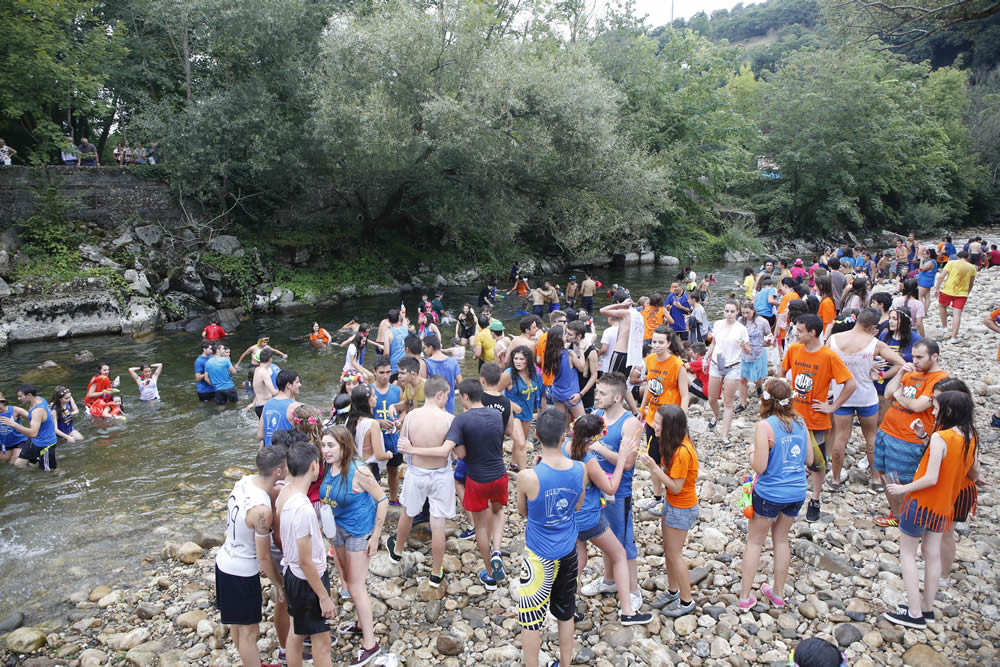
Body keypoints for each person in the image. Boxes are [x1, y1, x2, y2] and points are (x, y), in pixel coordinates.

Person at [883, 390, 978, 629]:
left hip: (922, 503)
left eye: (936, 408)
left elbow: (931, 477)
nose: (932, 411)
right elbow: (956, 465)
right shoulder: (970, 435)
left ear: (947, 411)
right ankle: (926, 607)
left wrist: (902, 489)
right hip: (945, 504)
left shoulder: (942, 437)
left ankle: (914, 613)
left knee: (907, 553)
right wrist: (923, 436)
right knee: (931, 553)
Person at [516, 409, 587, 667]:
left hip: (538, 555)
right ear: (564, 435)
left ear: (536, 435)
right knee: (566, 611)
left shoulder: (527, 476)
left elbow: (523, 511)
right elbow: (577, 506)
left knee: (530, 618)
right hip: (568, 549)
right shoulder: (580, 469)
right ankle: (566, 663)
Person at [563, 414, 646, 624]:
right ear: (596, 437)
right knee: (619, 554)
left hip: (569, 515)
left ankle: (565, 605)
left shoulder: (565, 447)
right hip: (589, 517)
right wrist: (621, 460)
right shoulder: (588, 459)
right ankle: (628, 611)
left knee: (578, 559)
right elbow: (610, 487)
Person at [738, 378, 813, 610]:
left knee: (755, 542)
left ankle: (744, 598)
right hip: (796, 491)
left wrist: (751, 452)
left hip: (770, 492)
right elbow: (810, 460)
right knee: (781, 539)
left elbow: (759, 467)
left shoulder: (765, 426)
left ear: (764, 399)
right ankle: (778, 593)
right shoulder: (800, 422)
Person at [318, 425, 387, 666]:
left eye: (330, 445)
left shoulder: (360, 470)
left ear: (344, 446)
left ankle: (371, 644)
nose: (325, 450)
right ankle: (359, 624)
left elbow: (382, 500)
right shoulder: (328, 466)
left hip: (358, 532)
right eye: (323, 445)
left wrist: (376, 536)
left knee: (356, 587)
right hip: (336, 531)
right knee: (346, 580)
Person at [216, 444, 287, 667]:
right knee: (250, 631)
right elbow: (264, 557)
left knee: (238, 625)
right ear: (278, 471)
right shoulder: (262, 511)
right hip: (242, 572)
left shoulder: (244, 481)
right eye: (285, 467)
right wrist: (280, 584)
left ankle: (252, 661)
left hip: (224, 561)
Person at [782, 314, 857, 522]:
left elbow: (850, 384)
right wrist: (782, 393)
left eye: (799, 331)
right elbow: (782, 370)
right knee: (790, 457)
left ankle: (815, 499)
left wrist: (832, 406)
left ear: (812, 333)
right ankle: (790, 495)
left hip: (816, 420)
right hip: (793, 417)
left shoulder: (828, 356)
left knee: (818, 463)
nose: (795, 334)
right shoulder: (794, 349)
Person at [581, 373, 644, 613]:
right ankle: (609, 581)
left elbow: (627, 463)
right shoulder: (596, 416)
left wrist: (597, 447)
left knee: (623, 540)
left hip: (619, 492)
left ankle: (633, 590)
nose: (597, 396)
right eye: (597, 392)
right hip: (597, 489)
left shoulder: (630, 424)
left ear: (617, 397)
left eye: (602, 393)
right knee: (605, 536)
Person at [873, 339, 948, 527]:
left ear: (935, 356)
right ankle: (897, 514)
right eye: (913, 356)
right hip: (887, 431)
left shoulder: (939, 379)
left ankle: (912, 522)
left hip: (909, 439)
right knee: (885, 475)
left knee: (905, 481)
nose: (915, 361)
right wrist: (900, 372)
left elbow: (917, 405)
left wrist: (899, 395)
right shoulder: (912, 372)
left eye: (920, 357)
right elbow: (889, 392)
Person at [390, 376, 456, 586]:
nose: (447, 399)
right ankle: (436, 572)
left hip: (416, 473)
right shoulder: (448, 419)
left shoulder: (410, 416)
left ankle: (397, 552)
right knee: (438, 524)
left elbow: (402, 443)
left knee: (407, 512)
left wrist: (412, 450)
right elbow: (454, 452)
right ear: (439, 395)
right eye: (446, 395)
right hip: (440, 475)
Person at [827, 308, 906, 485]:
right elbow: (901, 363)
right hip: (866, 395)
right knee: (871, 436)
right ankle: (877, 479)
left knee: (840, 436)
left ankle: (835, 479)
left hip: (842, 395)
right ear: (873, 326)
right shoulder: (874, 343)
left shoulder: (833, 340)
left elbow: (826, 365)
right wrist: (881, 376)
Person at [636, 405, 699, 619]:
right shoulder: (673, 444)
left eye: (658, 423)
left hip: (681, 506)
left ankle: (686, 600)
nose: (653, 425)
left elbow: (676, 487)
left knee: (675, 554)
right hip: (673, 505)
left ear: (670, 427)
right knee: (669, 551)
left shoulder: (682, 452)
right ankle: (672, 591)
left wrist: (654, 468)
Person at [277, 441, 335, 667]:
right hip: (306, 580)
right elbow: (306, 560)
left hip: (291, 573)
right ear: (314, 466)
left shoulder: (284, 492)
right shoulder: (303, 509)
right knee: (323, 644)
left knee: (296, 632)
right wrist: (324, 597)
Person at [637, 326, 688, 515]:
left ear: (668, 343)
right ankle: (657, 498)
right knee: (654, 459)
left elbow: (685, 394)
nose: (656, 345)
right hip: (653, 419)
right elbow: (651, 388)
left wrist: (681, 419)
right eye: (654, 342)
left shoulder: (676, 364)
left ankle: (673, 498)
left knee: (672, 460)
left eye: (660, 342)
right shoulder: (649, 360)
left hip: (671, 420)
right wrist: (642, 407)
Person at [706, 300, 751, 442]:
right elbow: (714, 342)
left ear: (737, 312)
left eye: (732, 311)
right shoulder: (718, 324)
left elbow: (748, 351)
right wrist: (705, 357)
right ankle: (717, 415)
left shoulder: (741, 329)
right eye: (727, 311)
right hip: (716, 362)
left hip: (734, 365)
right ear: (724, 311)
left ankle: (724, 435)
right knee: (712, 398)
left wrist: (744, 346)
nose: (729, 314)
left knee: (728, 401)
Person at [875, 306, 921, 425]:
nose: (890, 321)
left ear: (904, 321)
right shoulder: (884, 336)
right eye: (890, 318)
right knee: (881, 418)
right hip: (882, 381)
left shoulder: (916, 340)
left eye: (895, 319)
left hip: (904, 382)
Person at [0, 385, 59, 471]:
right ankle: (36, 472)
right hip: (33, 441)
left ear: (29, 396)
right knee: (19, 464)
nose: (18, 399)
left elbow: (33, 433)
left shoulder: (37, 411)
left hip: (45, 444)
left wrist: (13, 424)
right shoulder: (39, 399)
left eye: (20, 396)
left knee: (50, 471)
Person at [370, 357, 403, 504]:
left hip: (392, 437)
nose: (385, 376)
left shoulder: (397, 390)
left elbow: (404, 409)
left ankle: (394, 498)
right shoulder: (369, 391)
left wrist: (400, 421)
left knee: (393, 469)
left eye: (388, 372)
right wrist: (379, 422)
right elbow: (363, 417)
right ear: (375, 372)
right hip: (374, 439)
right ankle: (374, 501)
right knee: (372, 472)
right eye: (381, 372)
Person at [345, 384, 391, 482]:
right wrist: (388, 454)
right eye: (374, 396)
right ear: (366, 401)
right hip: (368, 469)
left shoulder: (349, 420)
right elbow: (379, 455)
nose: (376, 397)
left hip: (351, 467)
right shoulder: (372, 424)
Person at [934, 250, 977, 344]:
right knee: (957, 314)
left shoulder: (951, 263)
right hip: (962, 293)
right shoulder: (972, 267)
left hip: (948, 290)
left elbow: (941, 276)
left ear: (958, 257)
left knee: (942, 306)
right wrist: (968, 292)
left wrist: (937, 288)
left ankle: (944, 327)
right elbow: (971, 282)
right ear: (967, 258)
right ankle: (954, 337)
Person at [542, 325, 585, 419]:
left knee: (560, 422)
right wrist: (581, 348)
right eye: (565, 334)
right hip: (571, 395)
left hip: (557, 393)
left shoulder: (549, 354)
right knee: (582, 421)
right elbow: (582, 368)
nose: (567, 336)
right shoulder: (570, 354)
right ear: (560, 338)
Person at [738, 299, 772, 412]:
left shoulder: (762, 322)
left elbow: (769, 335)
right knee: (743, 379)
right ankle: (743, 403)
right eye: (743, 313)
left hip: (758, 353)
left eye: (747, 312)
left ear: (753, 310)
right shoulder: (740, 322)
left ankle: (759, 387)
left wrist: (768, 341)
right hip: (744, 355)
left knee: (757, 377)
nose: (745, 315)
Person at [259, 370, 302, 447]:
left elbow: (261, 435)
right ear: (288, 385)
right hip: (287, 454)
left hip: (269, 453)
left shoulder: (267, 404)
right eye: (297, 382)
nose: (300, 385)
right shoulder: (296, 407)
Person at [422, 334, 462, 414]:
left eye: (425, 348)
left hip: (432, 408)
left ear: (431, 348)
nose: (424, 351)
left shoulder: (426, 363)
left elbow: (423, 387)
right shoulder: (453, 361)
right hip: (449, 406)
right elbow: (461, 383)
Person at [249, 349, 279, 418]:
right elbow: (274, 392)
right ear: (270, 359)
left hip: (259, 406)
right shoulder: (264, 372)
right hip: (265, 407)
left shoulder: (257, 369)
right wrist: (284, 387)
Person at [0, 392, 28, 464]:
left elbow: (32, 417)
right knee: (3, 462)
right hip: (5, 444)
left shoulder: (14, 410)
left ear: (3, 402)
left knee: (14, 462)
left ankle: (34, 471)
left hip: (20, 441)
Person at [381, 309, 408, 379]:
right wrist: (403, 316)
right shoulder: (405, 328)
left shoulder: (388, 333)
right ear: (399, 318)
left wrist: (383, 365)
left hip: (394, 367)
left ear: (388, 320)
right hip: (406, 364)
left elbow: (386, 353)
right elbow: (404, 321)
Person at [814, 275, 836, 340]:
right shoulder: (825, 300)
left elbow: (829, 323)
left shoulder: (827, 302)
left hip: (824, 335)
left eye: (816, 286)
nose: (815, 288)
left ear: (821, 286)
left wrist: (824, 339)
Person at [917, 247, 938, 313]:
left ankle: (922, 312)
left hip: (925, 281)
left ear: (929, 255)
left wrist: (921, 261)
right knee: (927, 296)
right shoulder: (933, 261)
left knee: (920, 296)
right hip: (928, 280)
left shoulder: (931, 262)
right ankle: (925, 312)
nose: (923, 255)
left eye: (924, 254)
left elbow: (921, 269)